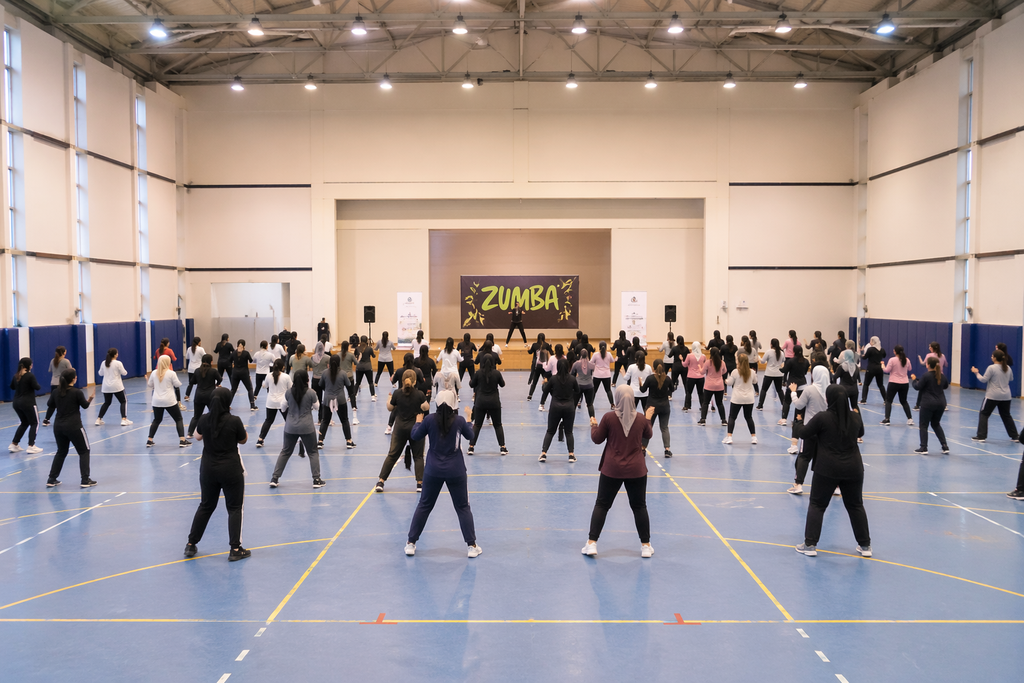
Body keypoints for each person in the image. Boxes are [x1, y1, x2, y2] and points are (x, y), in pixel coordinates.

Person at [795, 386, 871, 558]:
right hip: (854, 469)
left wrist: (798, 421)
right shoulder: (855, 416)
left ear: (828, 400)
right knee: (855, 505)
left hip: (827, 468)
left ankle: (810, 544)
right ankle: (865, 545)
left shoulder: (822, 418)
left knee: (817, 505)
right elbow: (861, 432)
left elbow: (804, 433)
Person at [405, 390, 481, 558]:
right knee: (462, 508)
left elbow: (415, 435)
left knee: (424, 506)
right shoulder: (460, 421)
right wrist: (469, 418)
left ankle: (411, 543)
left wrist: (418, 422)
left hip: (433, 471)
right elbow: (471, 435)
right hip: (456, 471)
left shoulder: (429, 420)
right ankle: (471, 546)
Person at [583, 384, 654, 558]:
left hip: (612, 469)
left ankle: (592, 543)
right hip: (636, 470)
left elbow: (597, 439)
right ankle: (646, 545)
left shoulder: (608, 418)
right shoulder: (640, 419)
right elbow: (649, 434)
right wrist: (648, 418)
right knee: (639, 507)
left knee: (602, 505)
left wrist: (593, 425)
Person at [184, 387, 250, 562]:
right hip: (231, 470)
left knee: (206, 505)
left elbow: (197, 437)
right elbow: (243, 440)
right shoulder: (234, 421)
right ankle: (235, 548)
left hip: (208, 470)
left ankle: (191, 544)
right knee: (234, 508)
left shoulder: (205, 419)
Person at [269, 370, 325, 489]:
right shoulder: (311, 393)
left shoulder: (288, 393)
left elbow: (283, 408)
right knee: (313, 452)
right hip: (307, 427)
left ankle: (274, 478)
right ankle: (316, 479)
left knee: (285, 452)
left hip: (290, 427)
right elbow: (317, 407)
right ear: (307, 380)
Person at [376, 370, 429, 493]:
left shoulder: (397, 393)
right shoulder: (420, 394)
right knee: (418, 456)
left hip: (399, 428)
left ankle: (381, 481)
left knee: (392, 455)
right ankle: (419, 484)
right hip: (416, 428)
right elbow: (426, 407)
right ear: (415, 381)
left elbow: (390, 408)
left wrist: (389, 398)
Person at [45, 369, 96, 488]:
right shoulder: (76, 392)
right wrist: (90, 398)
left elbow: (49, 405)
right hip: (74, 426)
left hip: (58, 427)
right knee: (84, 451)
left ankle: (51, 478)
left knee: (61, 451)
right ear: (74, 379)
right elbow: (85, 406)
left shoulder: (56, 392)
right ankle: (85, 479)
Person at [787, 362, 830, 494]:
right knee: (827, 457)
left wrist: (793, 393)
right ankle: (835, 486)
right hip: (826, 429)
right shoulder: (830, 390)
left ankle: (798, 484)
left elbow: (799, 406)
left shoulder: (809, 390)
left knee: (804, 456)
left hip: (810, 428)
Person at [970, 350, 1019, 442]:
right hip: (1006, 396)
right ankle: (1015, 436)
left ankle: (981, 436)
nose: (991, 357)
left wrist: (976, 372)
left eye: (992, 356)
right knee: (1006, 415)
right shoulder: (1008, 367)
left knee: (984, 414)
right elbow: (1011, 379)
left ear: (995, 358)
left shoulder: (991, 368)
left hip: (992, 395)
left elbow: (983, 379)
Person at [538, 359, 580, 463]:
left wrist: (545, 384)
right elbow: (578, 391)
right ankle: (571, 455)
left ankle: (543, 453)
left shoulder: (553, 379)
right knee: (569, 432)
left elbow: (545, 390)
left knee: (550, 431)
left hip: (555, 407)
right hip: (569, 407)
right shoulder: (572, 379)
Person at [468, 354, 508, 456]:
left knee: (477, 425)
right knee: (498, 425)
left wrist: (471, 381)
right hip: (494, 402)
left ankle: (471, 447)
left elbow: (472, 384)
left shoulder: (478, 373)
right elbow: (502, 385)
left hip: (480, 402)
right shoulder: (496, 373)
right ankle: (502, 447)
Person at [147, 355, 189, 448]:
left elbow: (150, 385)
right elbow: (177, 384)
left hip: (157, 401)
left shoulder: (154, 373)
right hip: (169, 401)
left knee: (157, 420)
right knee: (178, 419)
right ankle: (182, 440)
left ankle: (149, 440)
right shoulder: (171, 373)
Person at [911, 356, 950, 454]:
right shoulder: (941, 376)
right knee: (936, 424)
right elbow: (945, 386)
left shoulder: (926, 376)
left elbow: (918, 387)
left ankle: (923, 447)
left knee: (924, 425)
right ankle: (944, 446)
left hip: (928, 403)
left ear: (927, 365)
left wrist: (914, 380)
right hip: (941, 403)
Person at [318, 354, 356, 450]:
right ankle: (349, 441)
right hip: (340, 399)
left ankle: (320, 441)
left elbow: (320, 384)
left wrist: (327, 390)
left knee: (325, 421)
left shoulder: (325, 373)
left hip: (328, 399)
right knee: (344, 420)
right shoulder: (343, 373)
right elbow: (348, 384)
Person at [641, 360, 674, 456]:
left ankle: (643, 448)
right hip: (664, 406)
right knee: (664, 428)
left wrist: (640, 383)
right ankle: (667, 449)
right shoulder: (667, 378)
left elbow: (643, 390)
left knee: (647, 427)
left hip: (652, 407)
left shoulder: (650, 378)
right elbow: (672, 390)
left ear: (653, 368)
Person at [9, 358, 43, 454]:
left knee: (24, 422)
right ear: (28, 366)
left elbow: (12, 387)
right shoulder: (30, 376)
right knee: (34, 422)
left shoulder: (16, 376)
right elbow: (37, 387)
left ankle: (14, 444)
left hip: (16, 403)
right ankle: (31, 445)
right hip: (28, 403)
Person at [723, 352, 756, 445]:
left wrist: (725, 380)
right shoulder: (752, 372)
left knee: (732, 417)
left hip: (737, 398)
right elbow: (755, 381)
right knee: (749, 417)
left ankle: (729, 436)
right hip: (749, 398)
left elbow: (729, 383)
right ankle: (754, 437)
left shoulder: (735, 372)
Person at [256, 360, 291, 448]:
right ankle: (294, 438)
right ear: (283, 367)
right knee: (289, 421)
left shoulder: (269, 375)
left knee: (268, 421)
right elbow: (290, 388)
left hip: (271, 402)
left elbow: (264, 386)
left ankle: (260, 439)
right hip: (283, 402)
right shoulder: (286, 377)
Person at [187, 355, 222, 438]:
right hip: (210, 396)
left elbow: (192, 382)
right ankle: (215, 431)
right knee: (214, 414)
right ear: (211, 362)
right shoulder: (213, 371)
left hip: (198, 396)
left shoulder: (197, 371)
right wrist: (216, 384)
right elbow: (220, 379)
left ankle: (189, 433)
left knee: (196, 416)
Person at [95, 348, 132, 427]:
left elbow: (100, 373)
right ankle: (124, 419)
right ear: (115, 355)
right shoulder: (118, 363)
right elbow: (124, 373)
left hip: (106, 387)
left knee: (107, 402)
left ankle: (98, 419)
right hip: (117, 386)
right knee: (123, 401)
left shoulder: (103, 363)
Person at [881, 345, 913, 426]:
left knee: (889, 401)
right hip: (904, 383)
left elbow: (887, 370)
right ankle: (910, 419)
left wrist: (882, 366)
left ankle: (887, 419)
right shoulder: (907, 360)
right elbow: (909, 369)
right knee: (904, 401)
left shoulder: (892, 360)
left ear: (895, 351)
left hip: (893, 382)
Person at [41, 346, 72, 426]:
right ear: (64, 352)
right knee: (64, 402)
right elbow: (70, 372)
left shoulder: (52, 360)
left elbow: (50, 370)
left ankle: (46, 419)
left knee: (53, 402)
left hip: (53, 383)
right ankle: (64, 419)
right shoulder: (66, 361)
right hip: (62, 384)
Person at [779, 345, 809, 427]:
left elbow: (784, 371)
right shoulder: (806, 361)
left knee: (787, 401)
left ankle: (784, 419)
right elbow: (805, 372)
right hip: (802, 384)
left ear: (793, 351)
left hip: (792, 384)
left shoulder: (791, 361)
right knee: (800, 403)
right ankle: (797, 420)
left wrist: (781, 367)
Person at [914, 342, 947, 411]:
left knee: (922, 389)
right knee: (939, 390)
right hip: (940, 375)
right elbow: (945, 364)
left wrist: (919, 358)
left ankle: (917, 405)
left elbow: (923, 363)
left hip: (931, 375)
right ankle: (945, 405)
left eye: (930, 347)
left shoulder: (929, 355)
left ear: (931, 348)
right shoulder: (942, 355)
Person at [700, 348, 728, 426]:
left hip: (709, 385)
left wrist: (700, 368)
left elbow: (702, 372)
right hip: (719, 385)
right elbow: (724, 371)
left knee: (705, 402)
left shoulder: (708, 362)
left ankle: (703, 419)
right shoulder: (722, 362)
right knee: (719, 403)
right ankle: (723, 420)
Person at [227, 339, 257, 411]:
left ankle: (227, 405)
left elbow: (229, 361)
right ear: (244, 346)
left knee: (233, 390)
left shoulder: (233, 353)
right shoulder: (246, 353)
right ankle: (252, 405)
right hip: (244, 373)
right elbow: (251, 360)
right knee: (249, 389)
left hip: (235, 373)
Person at [756, 339, 786, 410]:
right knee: (779, 390)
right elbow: (783, 360)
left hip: (769, 373)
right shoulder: (781, 353)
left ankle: (760, 406)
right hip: (778, 374)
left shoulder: (768, 352)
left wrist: (759, 358)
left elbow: (763, 362)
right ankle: (784, 405)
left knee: (764, 390)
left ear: (771, 344)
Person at [572, 348, 597, 420]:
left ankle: (569, 420)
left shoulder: (576, 364)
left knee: (574, 404)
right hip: (589, 386)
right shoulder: (592, 365)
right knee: (590, 404)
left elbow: (572, 374)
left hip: (578, 385)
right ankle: (592, 420)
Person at [860, 336, 886, 403]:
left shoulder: (870, 349)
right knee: (880, 385)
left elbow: (865, 357)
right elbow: (884, 355)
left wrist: (861, 355)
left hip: (871, 368)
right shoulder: (882, 350)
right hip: (879, 369)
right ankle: (886, 400)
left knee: (866, 384)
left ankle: (864, 400)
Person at [338, 341, 359, 424]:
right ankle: (353, 406)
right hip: (349, 376)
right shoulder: (350, 355)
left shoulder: (338, 355)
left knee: (339, 392)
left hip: (340, 376)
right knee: (351, 393)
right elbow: (356, 363)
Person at [681, 341, 706, 412]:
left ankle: (687, 406)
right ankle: (703, 406)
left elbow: (685, 365)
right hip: (701, 377)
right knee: (701, 392)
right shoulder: (703, 356)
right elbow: (705, 365)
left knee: (689, 392)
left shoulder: (689, 356)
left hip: (691, 376)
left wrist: (682, 360)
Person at [526, 333, 552, 401]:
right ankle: (552, 394)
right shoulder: (546, 345)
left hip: (537, 366)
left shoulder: (534, 345)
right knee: (548, 380)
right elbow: (552, 353)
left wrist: (528, 349)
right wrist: (550, 348)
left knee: (534, 381)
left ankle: (530, 395)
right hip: (544, 366)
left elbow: (530, 352)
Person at [309, 337, 331, 417]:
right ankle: (327, 417)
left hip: (315, 379)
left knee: (318, 399)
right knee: (327, 398)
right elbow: (329, 368)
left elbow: (311, 367)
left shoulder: (312, 357)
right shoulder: (327, 357)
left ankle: (319, 417)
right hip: (324, 380)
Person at [354, 336, 377, 402]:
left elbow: (355, 356)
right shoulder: (369, 348)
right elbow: (373, 356)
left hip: (359, 367)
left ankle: (354, 396)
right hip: (368, 367)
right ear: (367, 341)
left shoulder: (357, 348)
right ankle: (372, 396)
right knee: (370, 382)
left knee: (357, 383)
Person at [592, 341, 615, 406]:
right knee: (608, 390)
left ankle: (590, 403)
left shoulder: (595, 354)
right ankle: (612, 404)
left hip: (597, 375)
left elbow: (591, 362)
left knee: (594, 390)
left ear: (599, 347)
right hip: (606, 375)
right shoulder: (609, 354)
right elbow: (612, 361)